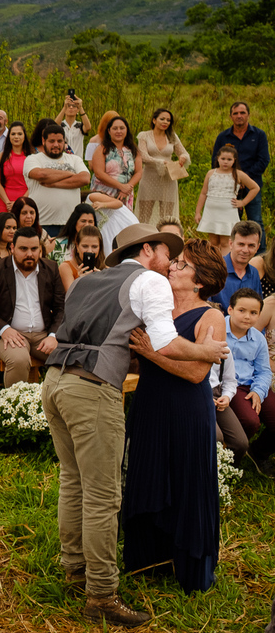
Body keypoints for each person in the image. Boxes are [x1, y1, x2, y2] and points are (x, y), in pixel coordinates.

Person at [43, 224, 229, 626]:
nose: (171, 262)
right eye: (169, 253)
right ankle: (102, 596)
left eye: (181, 261)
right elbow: (162, 342)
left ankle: (75, 568)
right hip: (92, 391)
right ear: (148, 250)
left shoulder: (88, 281)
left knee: (73, 482)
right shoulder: (149, 282)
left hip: (55, 382)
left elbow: (73, 331)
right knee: (101, 496)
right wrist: (206, 350)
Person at [122, 238, 227, 594]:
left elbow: (197, 374)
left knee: (184, 481)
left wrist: (151, 354)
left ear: (199, 281)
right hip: (150, 401)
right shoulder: (158, 307)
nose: (172, 267)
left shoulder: (211, 315)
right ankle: (148, 559)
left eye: (182, 265)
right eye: (175, 262)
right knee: (148, 471)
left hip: (186, 411)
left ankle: (187, 562)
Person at [0, 227, 64, 387]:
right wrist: (4, 329)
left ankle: (55, 405)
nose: (29, 254)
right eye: (23, 249)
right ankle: (14, 408)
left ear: (40, 250)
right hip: (9, 335)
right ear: (12, 248)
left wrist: (53, 335)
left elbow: (61, 307)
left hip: (43, 335)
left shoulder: (50, 268)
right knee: (19, 360)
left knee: (67, 357)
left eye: (34, 249)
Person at [223, 288, 275, 475]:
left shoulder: (258, 338)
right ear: (230, 309)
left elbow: (263, 371)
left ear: (259, 315)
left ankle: (258, 452)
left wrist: (258, 392)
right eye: (242, 310)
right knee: (251, 421)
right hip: (231, 386)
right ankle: (230, 461)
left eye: (253, 313)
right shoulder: (219, 329)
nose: (247, 317)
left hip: (252, 385)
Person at [212, 101, 268, 250]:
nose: (239, 116)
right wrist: (233, 180)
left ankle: (260, 255)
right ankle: (233, 253)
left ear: (249, 115)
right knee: (230, 223)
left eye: (242, 113)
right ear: (231, 116)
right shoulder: (223, 137)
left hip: (251, 186)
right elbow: (215, 161)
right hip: (227, 189)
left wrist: (243, 179)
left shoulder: (259, 135)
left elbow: (263, 160)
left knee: (255, 221)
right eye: (235, 113)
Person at [25, 124, 90, 237]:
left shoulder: (74, 159)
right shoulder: (33, 159)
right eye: (52, 141)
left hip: (71, 224)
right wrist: (70, 173)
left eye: (60, 141)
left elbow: (84, 179)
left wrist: (54, 183)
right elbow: (41, 174)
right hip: (43, 223)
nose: (56, 145)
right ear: (43, 141)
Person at [197, 145, 259, 254]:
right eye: (223, 159)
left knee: (225, 243)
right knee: (213, 242)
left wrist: (243, 202)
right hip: (211, 212)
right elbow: (203, 193)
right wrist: (198, 212)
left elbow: (255, 188)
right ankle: (213, 264)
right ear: (218, 159)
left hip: (227, 212)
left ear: (234, 160)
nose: (226, 162)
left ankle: (225, 266)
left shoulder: (238, 174)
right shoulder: (211, 173)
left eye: (229, 159)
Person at [135, 108, 190, 226]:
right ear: (154, 120)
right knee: (144, 214)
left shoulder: (172, 137)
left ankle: (166, 237)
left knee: (167, 216)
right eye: (162, 119)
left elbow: (184, 153)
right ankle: (142, 237)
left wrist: (183, 158)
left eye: (168, 120)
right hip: (149, 178)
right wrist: (160, 161)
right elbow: (143, 156)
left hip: (168, 179)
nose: (165, 122)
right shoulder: (144, 136)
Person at [90, 116, 142, 211]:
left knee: (124, 223)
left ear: (127, 130)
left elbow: (138, 172)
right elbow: (98, 173)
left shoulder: (133, 150)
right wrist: (121, 187)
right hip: (104, 194)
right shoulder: (102, 149)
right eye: (115, 128)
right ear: (109, 131)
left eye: (122, 128)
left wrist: (127, 189)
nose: (119, 131)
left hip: (125, 194)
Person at [210, 220, 264, 309]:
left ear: (257, 248)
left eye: (251, 245)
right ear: (231, 244)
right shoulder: (214, 269)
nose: (245, 250)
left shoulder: (254, 273)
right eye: (241, 244)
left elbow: (257, 307)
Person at [0, 121, 33, 215]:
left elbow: (34, 184)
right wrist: (7, 203)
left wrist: (20, 202)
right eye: (13, 134)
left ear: (24, 136)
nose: (16, 137)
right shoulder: (1, 156)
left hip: (25, 202)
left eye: (19, 134)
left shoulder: (31, 157)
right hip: (4, 203)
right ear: (9, 136)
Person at [59, 225, 105, 291]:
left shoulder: (106, 268)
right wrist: (80, 281)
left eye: (94, 247)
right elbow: (71, 298)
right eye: (85, 246)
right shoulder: (66, 267)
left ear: (100, 248)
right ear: (77, 247)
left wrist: (102, 281)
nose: (89, 251)